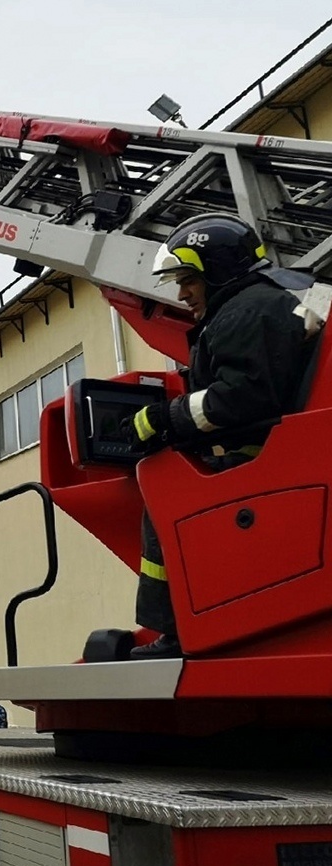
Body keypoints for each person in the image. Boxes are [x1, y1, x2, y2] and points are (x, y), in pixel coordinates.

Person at [125, 213, 314, 659]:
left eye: (189, 279)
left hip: (261, 462)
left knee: (164, 491)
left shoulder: (244, 312)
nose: (182, 292)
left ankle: (174, 629)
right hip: (280, 454)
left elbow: (244, 396)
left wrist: (165, 418)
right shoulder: (267, 304)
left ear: (218, 270)